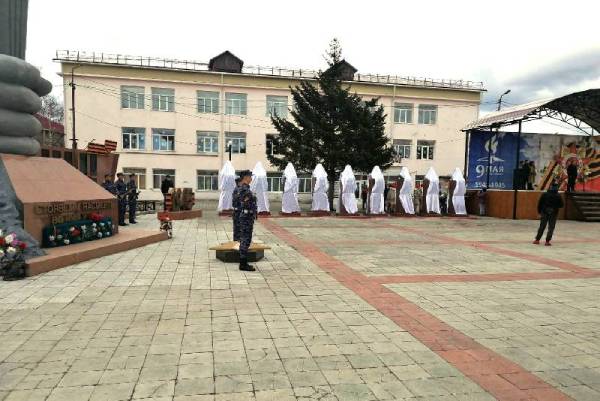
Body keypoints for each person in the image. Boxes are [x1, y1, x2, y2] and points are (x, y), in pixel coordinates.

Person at [237, 170, 257, 272]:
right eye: (250, 176)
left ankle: (243, 262)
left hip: (247, 216)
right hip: (246, 217)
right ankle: (243, 264)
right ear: (245, 177)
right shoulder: (244, 189)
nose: (251, 178)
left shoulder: (246, 188)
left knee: (246, 239)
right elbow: (245, 202)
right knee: (245, 239)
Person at [232, 177, 241, 242]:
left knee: (236, 227)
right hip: (238, 211)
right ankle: (237, 240)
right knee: (238, 227)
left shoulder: (236, 189)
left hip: (237, 211)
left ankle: (236, 239)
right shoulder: (238, 190)